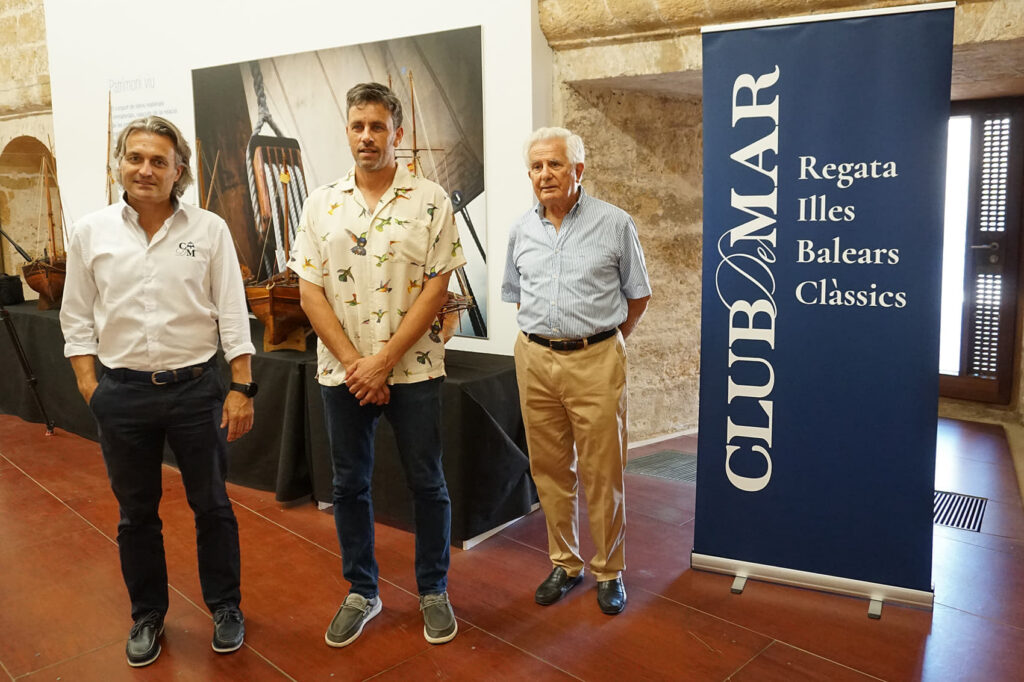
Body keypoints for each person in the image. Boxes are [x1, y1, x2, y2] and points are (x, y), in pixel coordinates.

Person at [60, 116, 256, 666]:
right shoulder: (91, 232)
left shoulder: (209, 230)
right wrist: (90, 387)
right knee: (136, 514)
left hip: (196, 392)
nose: (145, 170)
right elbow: (76, 317)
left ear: (178, 171)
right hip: (121, 395)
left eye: (158, 161)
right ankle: (147, 614)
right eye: (135, 158)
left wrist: (241, 386)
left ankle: (226, 606)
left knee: (212, 505)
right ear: (119, 164)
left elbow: (233, 314)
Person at [289, 82, 465, 648]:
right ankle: (362, 590)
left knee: (428, 483)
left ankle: (433, 589)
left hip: (413, 369)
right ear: (347, 131)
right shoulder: (321, 203)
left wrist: (383, 361)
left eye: (377, 126)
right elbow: (309, 290)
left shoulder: (431, 200)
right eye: (358, 126)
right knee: (349, 485)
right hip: (343, 374)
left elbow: (438, 287)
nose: (367, 136)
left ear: (397, 132)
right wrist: (356, 364)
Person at [501, 126, 651, 615]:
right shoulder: (520, 230)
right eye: (536, 166)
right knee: (548, 469)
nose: (545, 174)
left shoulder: (615, 223)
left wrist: (607, 344)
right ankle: (565, 564)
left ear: (578, 170)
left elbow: (639, 294)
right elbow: (519, 295)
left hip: (596, 359)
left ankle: (609, 570)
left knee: (603, 471)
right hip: (534, 359)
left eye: (555, 164)